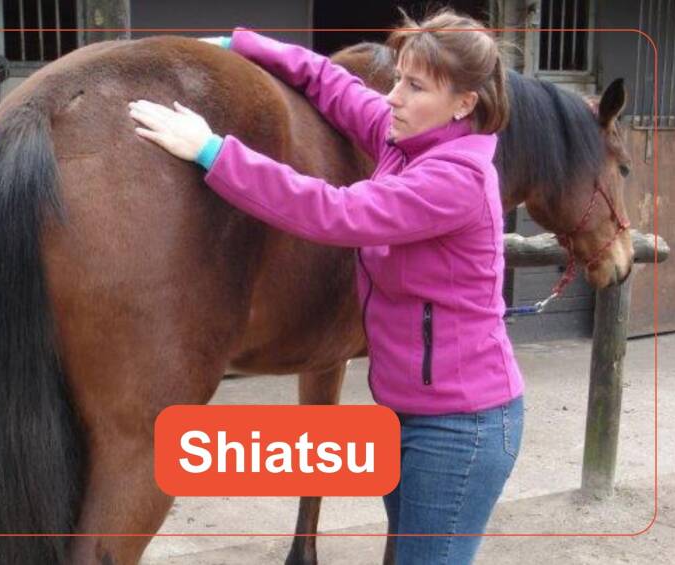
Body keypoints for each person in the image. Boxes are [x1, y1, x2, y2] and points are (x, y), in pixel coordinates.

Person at [128, 9, 524, 565]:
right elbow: (328, 81)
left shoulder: (456, 179)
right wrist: (235, 44)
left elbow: (333, 212)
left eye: (415, 86)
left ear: (464, 104)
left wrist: (212, 151)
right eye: (397, 79)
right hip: (409, 411)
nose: (393, 97)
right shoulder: (406, 139)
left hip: (460, 427)